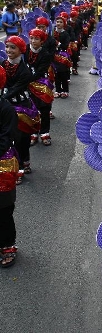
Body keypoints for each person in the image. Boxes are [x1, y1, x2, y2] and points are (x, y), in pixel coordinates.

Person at [1, 36, 35, 185]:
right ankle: (18, 165)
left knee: (23, 138)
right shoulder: (3, 64)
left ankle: (23, 163)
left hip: (22, 106)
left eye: (12, 47)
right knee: (10, 137)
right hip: (6, 106)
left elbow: (15, 90)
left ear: (21, 50)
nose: (8, 50)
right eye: (7, 46)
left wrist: (3, 98)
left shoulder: (25, 71)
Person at [0, 65, 19, 268]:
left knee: (3, 210)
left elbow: (5, 139)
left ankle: (7, 245)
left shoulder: (6, 109)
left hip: (3, 166)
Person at [26, 28, 54, 147]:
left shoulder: (46, 54)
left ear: (42, 41)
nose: (33, 41)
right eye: (31, 38)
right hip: (26, 84)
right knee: (31, 110)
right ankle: (33, 133)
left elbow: (40, 71)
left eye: (36, 39)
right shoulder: (25, 50)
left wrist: (26, 78)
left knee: (44, 109)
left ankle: (44, 133)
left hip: (41, 84)